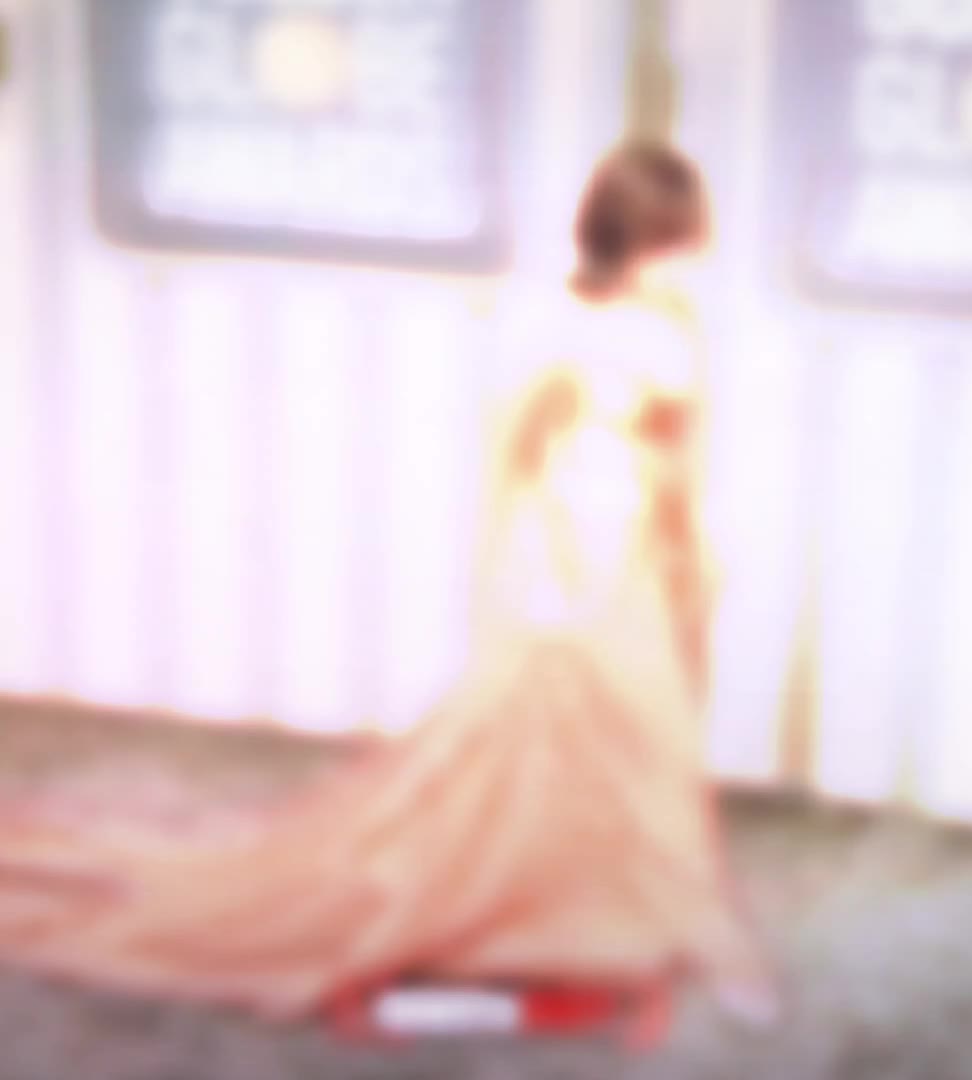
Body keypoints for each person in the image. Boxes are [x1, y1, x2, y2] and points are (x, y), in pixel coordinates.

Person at [0, 140, 776, 1025]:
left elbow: (687, 460)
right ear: (625, 236)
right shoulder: (556, 324)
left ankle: (640, 911)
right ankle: (681, 927)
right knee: (580, 747)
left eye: (687, 241)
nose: (684, 261)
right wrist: (506, 581)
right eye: (668, 241)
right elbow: (508, 456)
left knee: (654, 746)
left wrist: (698, 556)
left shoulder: (679, 326)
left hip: (639, 557)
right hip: (563, 561)